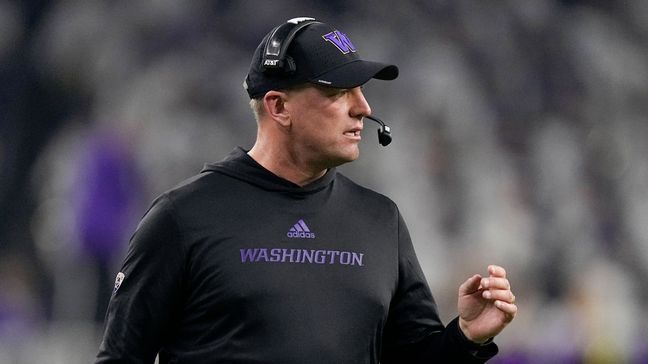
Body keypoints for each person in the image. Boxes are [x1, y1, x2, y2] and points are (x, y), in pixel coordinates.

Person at [95, 17, 517, 363]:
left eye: (362, 90)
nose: (363, 107)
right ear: (278, 106)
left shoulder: (380, 220)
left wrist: (465, 337)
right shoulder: (181, 218)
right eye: (338, 91)